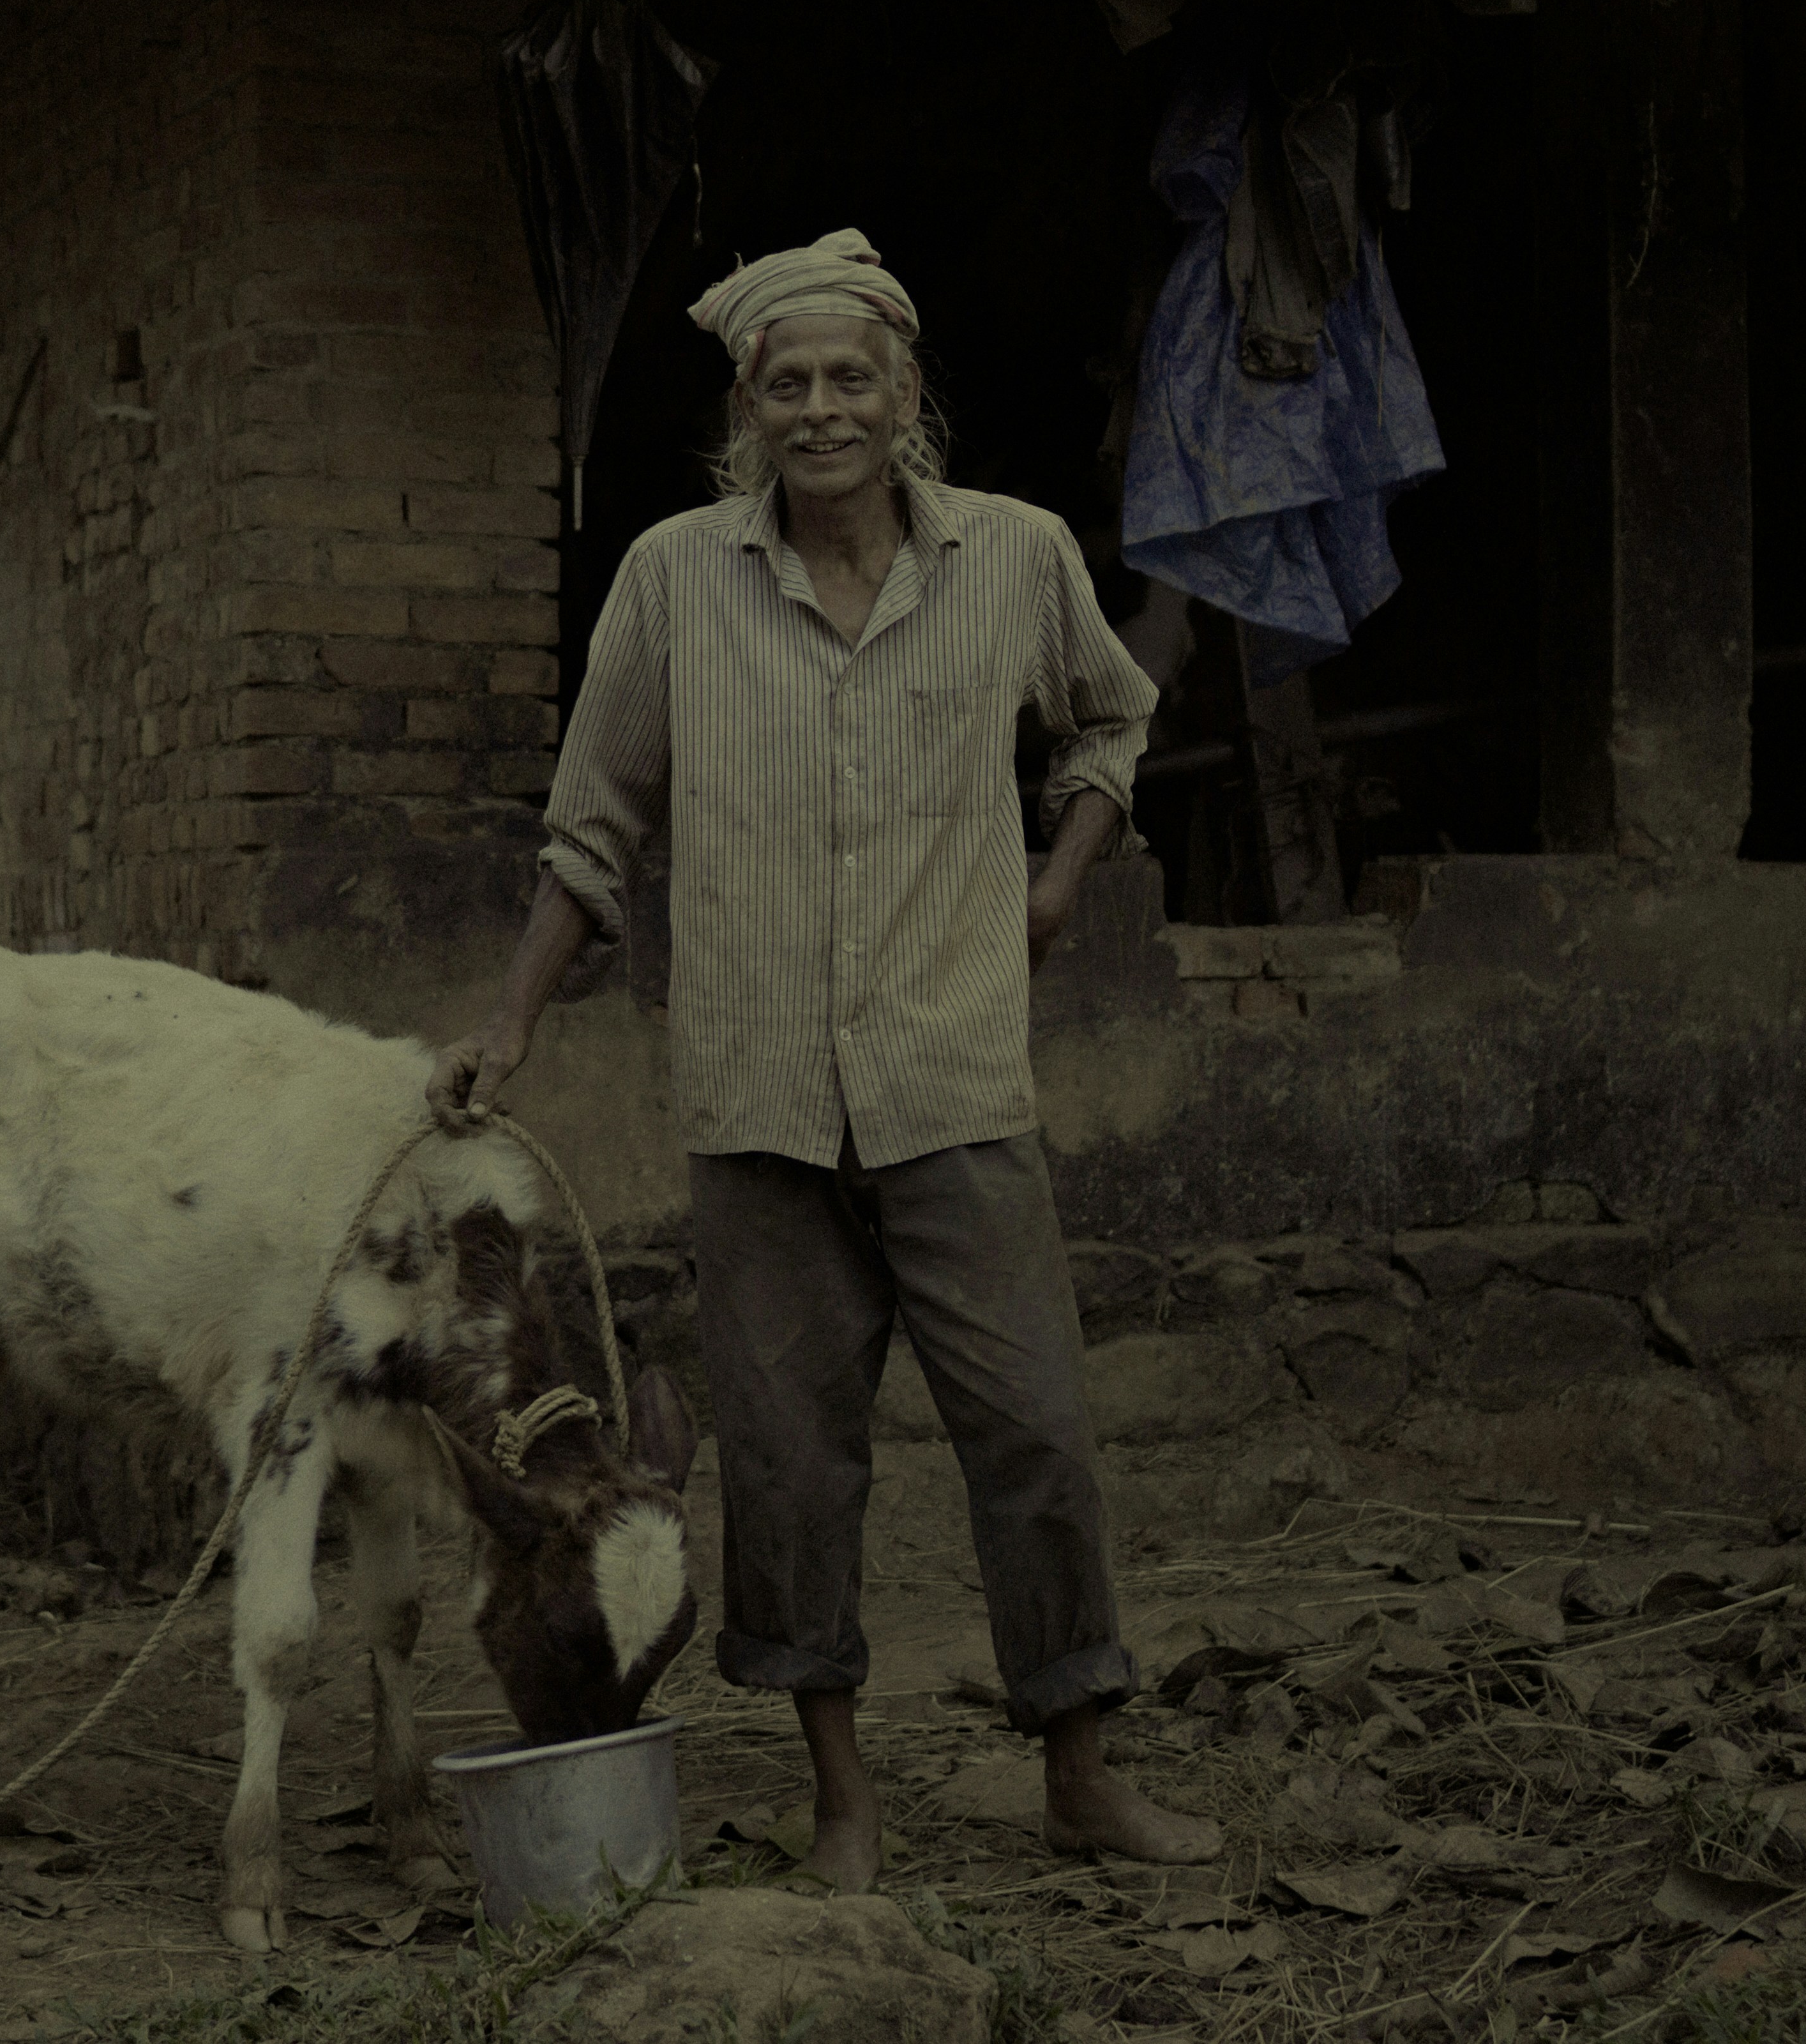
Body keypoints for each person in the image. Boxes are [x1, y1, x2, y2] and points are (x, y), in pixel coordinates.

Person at [429, 229, 1219, 1879]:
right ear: (748, 412)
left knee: (1039, 1433)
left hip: (953, 1083)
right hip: (761, 1101)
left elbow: (1111, 715)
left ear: (907, 395)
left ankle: (1081, 1773)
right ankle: (843, 1802)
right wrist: (509, 1022)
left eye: (851, 377)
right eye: (787, 384)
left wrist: (1060, 879)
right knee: (790, 1469)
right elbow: (594, 831)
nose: (821, 410)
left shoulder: (1014, 559)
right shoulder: (671, 582)